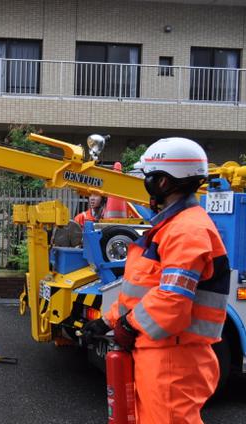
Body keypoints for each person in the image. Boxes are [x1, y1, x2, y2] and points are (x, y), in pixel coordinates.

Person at [82, 137, 230, 424]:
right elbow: (144, 291)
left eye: (148, 177)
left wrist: (127, 324)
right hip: (162, 353)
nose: (145, 185)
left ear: (164, 182)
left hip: (174, 358)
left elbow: (172, 301)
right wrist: (109, 321)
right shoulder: (171, 227)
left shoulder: (187, 231)